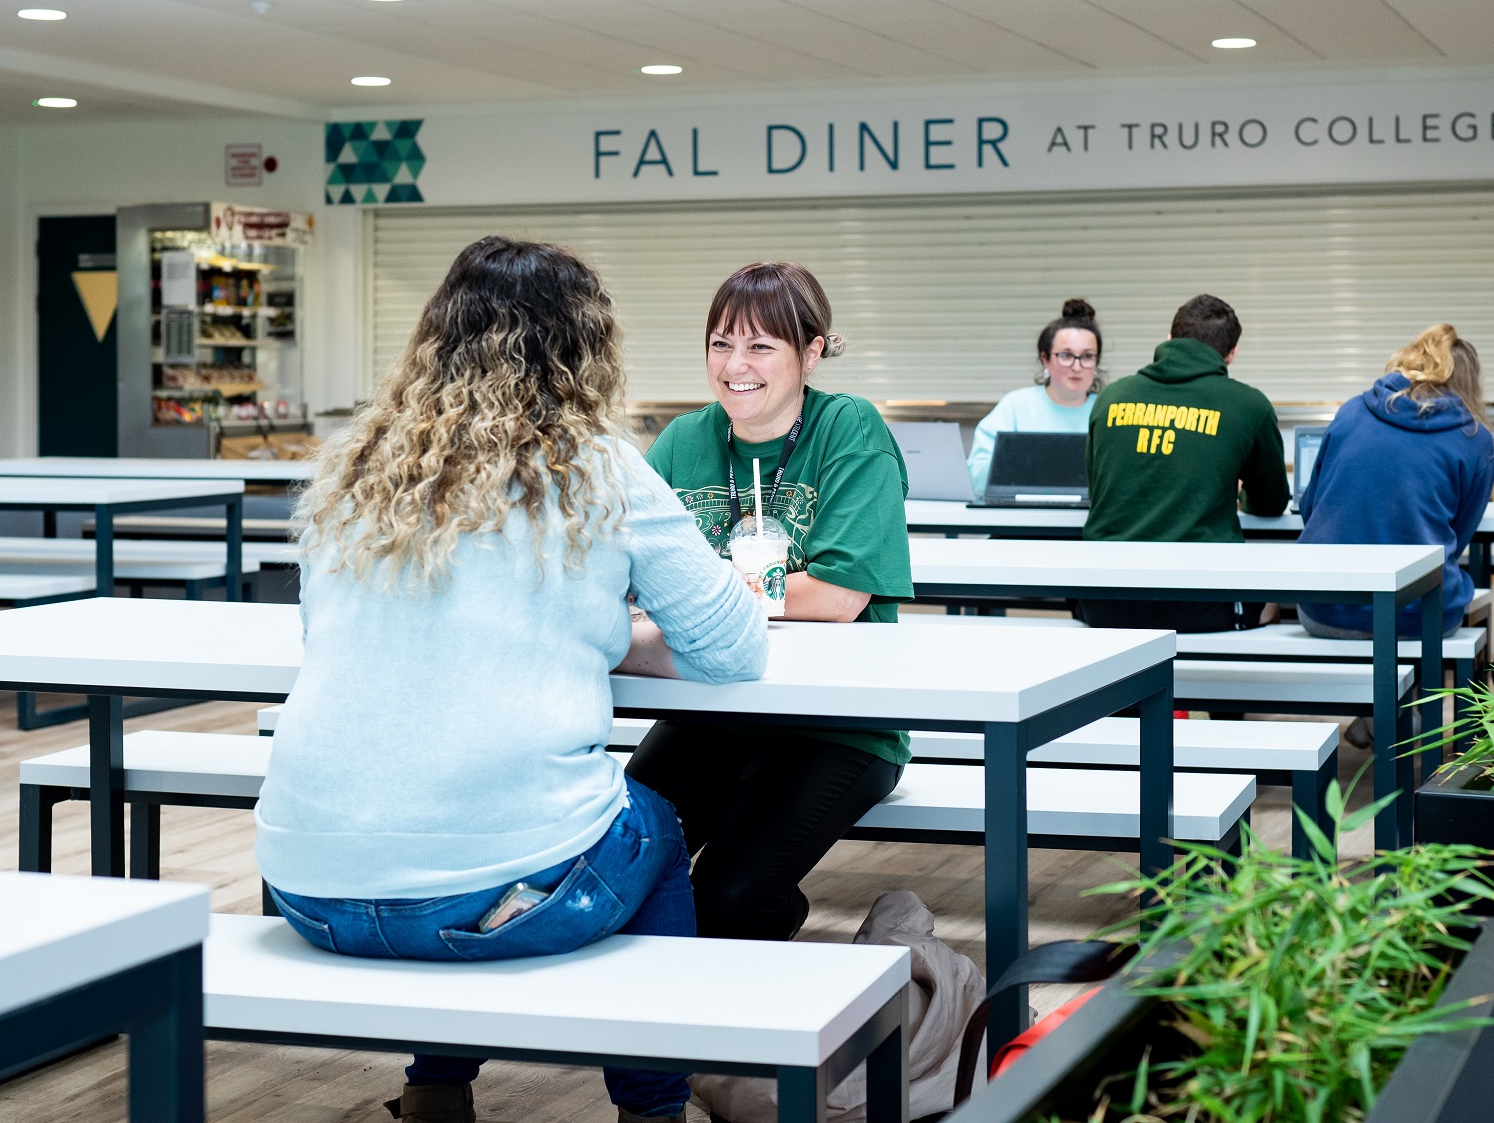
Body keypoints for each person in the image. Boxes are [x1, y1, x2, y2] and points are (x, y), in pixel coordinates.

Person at [254, 237, 769, 1123]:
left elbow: (329, 639)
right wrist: (611, 632)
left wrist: (570, 629)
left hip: (307, 887)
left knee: (461, 833)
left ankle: (435, 1094)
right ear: (585, 345)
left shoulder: (356, 468)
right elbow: (732, 649)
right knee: (649, 822)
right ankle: (654, 1112)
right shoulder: (597, 466)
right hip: (496, 900)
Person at [631, 260, 913, 943]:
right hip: (712, 711)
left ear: (811, 352)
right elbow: (622, 576)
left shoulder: (848, 428)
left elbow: (841, 595)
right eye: (721, 344)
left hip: (835, 722)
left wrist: (699, 606)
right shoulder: (682, 441)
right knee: (621, 865)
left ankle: (772, 941)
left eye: (762, 346)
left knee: (727, 898)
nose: (736, 365)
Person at [1080, 293, 1290, 631]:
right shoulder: (1249, 405)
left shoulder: (1111, 398)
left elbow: (1099, 488)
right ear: (1231, 353)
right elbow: (1271, 503)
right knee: (1275, 605)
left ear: (1169, 340)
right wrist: (1237, 495)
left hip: (1104, 602)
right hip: (1198, 606)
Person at [1296, 324, 1494, 640]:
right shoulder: (1476, 440)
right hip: (1419, 614)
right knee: (1457, 586)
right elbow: (1459, 534)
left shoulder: (1350, 411)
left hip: (1325, 608)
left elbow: (1311, 509)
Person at [966, 299, 1104, 497]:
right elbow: (975, 478)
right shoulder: (1015, 406)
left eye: (1087, 356)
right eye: (1066, 355)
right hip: (1018, 522)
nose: (1077, 366)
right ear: (1045, 359)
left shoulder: (1107, 411)